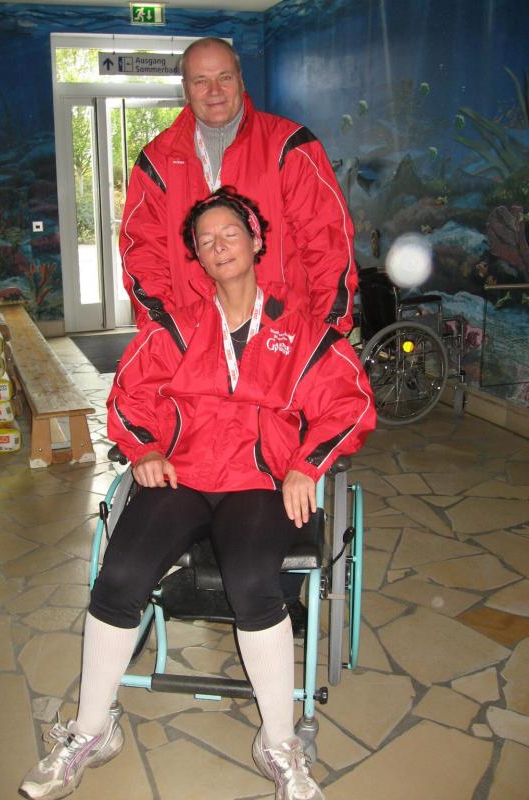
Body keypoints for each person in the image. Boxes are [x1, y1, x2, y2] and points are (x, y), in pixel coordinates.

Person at [20, 189, 375, 800]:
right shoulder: (175, 329)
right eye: (205, 240)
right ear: (198, 257)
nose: (218, 245)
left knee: (254, 582)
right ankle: (91, 730)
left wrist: (306, 465)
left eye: (229, 233)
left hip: (257, 483)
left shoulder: (301, 330)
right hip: (182, 477)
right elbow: (128, 401)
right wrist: (145, 451)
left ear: (256, 239)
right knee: (119, 574)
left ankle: (279, 744)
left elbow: (350, 402)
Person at [119, 36, 357, 633]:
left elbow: (327, 241)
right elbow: (141, 253)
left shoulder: (288, 145)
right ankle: (194, 566)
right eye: (200, 80)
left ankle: (271, 590)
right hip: (193, 349)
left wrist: (322, 341)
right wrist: (168, 337)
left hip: (282, 348)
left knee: (271, 469)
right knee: (192, 463)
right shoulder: (157, 160)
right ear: (184, 87)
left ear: (241, 78)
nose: (214, 91)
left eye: (223, 76)